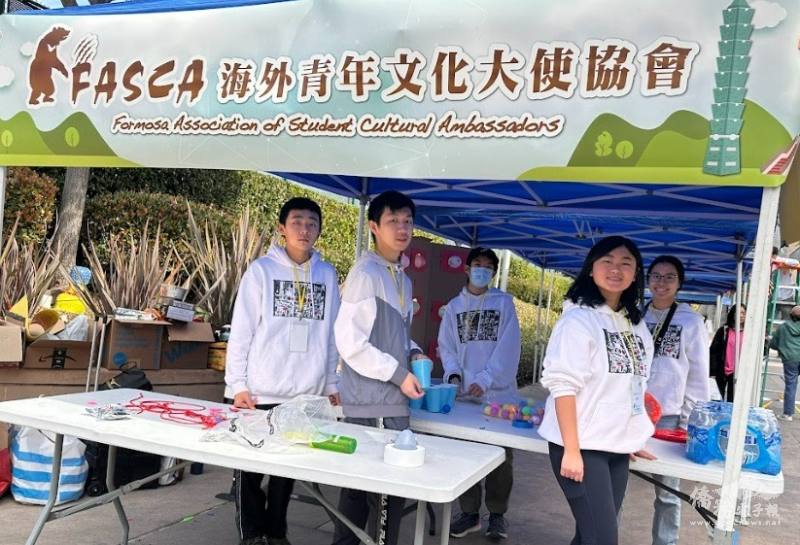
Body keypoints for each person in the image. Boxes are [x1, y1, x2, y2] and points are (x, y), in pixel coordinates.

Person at [225, 197, 341, 545]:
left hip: (306, 392)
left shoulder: (328, 274)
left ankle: (276, 533)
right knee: (249, 468)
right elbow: (242, 329)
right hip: (260, 389)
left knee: (285, 472)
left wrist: (332, 381)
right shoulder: (261, 270)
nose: (304, 229)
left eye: (311, 223)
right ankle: (251, 534)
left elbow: (333, 331)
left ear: (319, 230)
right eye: (297, 222)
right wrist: (237, 384)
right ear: (282, 228)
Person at [538, 235, 656, 545]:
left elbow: (633, 384)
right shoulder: (578, 320)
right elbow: (563, 386)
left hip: (614, 446)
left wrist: (630, 433)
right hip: (580, 444)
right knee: (603, 538)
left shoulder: (636, 325)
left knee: (590, 534)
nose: (616, 269)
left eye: (625, 264)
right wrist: (572, 450)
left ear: (635, 273)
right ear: (591, 268)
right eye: (607, 261)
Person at [331, 190, 426, 545]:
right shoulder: (366, 274)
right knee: (381, 492)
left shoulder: (402, 277)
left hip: (388, 397)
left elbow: (394, 336)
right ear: (374, 226)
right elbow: (350, 341)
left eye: (407, 221)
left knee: (363, 490)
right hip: (374, 398)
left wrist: (414, 353)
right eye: (392, 221)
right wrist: (400, 374)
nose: (401, 228)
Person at [439, 247, 521, 540]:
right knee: (465, 454)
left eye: (488, 266)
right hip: (464, 396)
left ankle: (497, 515)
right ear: (467, 268)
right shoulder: (453, 306)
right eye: (477, 264)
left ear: (494, 273)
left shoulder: (504, 304)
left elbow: (509, 348)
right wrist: (455, 375)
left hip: (498, 396)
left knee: (501, 458)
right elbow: (446, 346)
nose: (482, 270)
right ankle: (470, 513)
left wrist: (486, 379)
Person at [643, 255, 710, 545]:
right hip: (630, 413)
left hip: (668, 416)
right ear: (647, 280)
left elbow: (698, 375)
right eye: (656, 276)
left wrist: (689, 421)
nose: (662, 282)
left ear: (679, 283)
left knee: (668, 492)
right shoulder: (634, 316)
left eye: (669, 276)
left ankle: (665, 542)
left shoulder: (691, 321)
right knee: (614, 486)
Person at [769, 305, 800, 421]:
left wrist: (782, 347)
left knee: (791, 385)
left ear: (791, 316)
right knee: (792, 381)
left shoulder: (783, 328)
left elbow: (773, 344)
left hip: (790, 359)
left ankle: (788, 414)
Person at [709, 305, 745, 402]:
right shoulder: (724, 331)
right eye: (738, 312)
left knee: (733, 400)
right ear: (732, 314)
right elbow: (714, 351)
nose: (741, 316)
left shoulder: (748, 332)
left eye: (743, 313)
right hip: (722, 370)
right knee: (716, 398)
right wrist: (712, 370)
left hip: (739, 371)